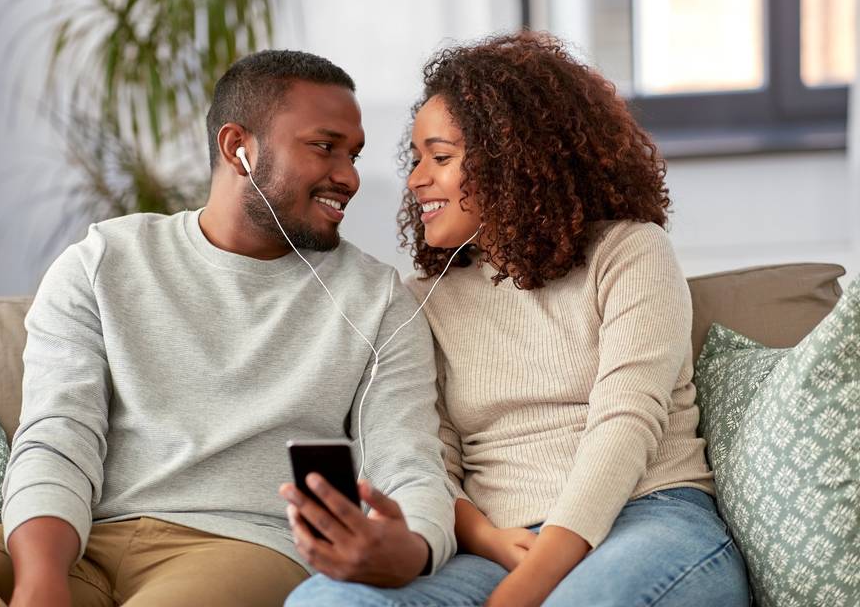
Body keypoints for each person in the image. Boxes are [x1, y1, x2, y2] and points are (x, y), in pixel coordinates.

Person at [0, 49, 455, 607]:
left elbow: (407, 460)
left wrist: (413, 546)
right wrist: (40, 582)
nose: (349, 176)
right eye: (324, 146)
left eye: (353, 154)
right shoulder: (103, 261)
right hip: (85, 545)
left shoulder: (377, 298)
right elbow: (57, 436)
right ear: (238, 147)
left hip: (243, 549)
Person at [286, 31, 751, 606]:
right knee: (324, 601)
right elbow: (435, 454)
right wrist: (486, 538)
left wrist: (521, 593)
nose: (415, 180)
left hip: (649, 516)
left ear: (514, 159)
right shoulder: (427, 297)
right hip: (500, 543)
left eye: (441, 157)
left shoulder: (630, 252)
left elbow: (626, 423)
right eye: (415, 160)